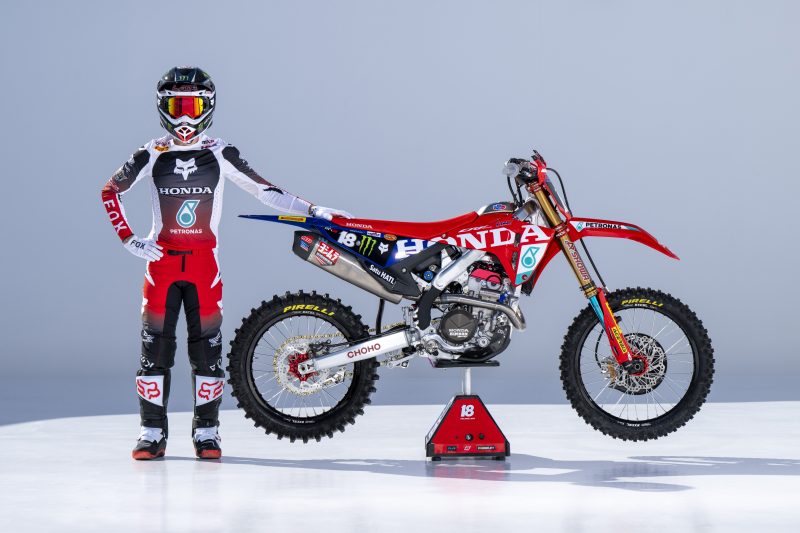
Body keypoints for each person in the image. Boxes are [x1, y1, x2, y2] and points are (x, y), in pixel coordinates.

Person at [101, 66, 352, 460]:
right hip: (161, 265)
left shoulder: (220, 151)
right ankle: (151, 432)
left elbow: (266, 191)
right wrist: (129, 239)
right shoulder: (151, 151)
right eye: (177, 107)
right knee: (154, 354)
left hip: (204, 267)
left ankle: (207, 432)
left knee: (207, 354)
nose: (185, 116)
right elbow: (110, 190)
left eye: (193, 106)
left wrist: (313, 210)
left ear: (209, 107)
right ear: (162, 108)